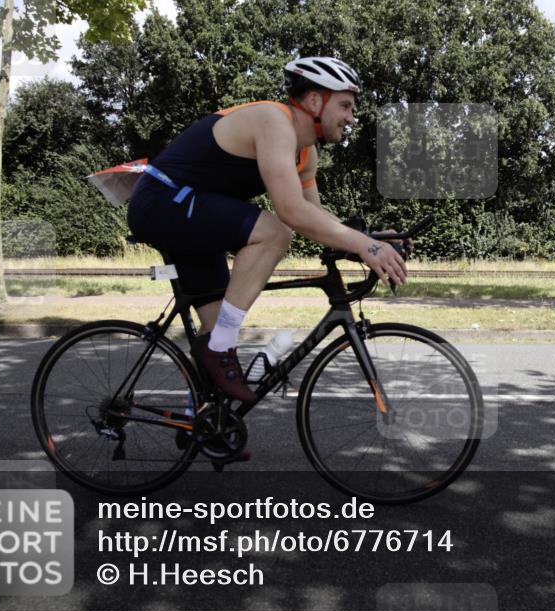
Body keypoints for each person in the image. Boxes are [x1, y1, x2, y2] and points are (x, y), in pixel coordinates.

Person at [127, 57, 408, 401]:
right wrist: (365, 247)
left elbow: (314, 217)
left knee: (215, 331)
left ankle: (201, 422)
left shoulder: (305, 153)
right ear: (316, 100)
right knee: (274, 233)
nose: (351, 117)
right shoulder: (275, 121)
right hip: (161, 201)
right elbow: (290, 212)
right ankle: (218, 352)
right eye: (346, 105)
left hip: (193, 218)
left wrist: (371, 240)